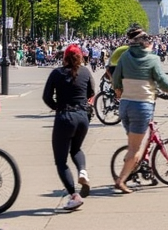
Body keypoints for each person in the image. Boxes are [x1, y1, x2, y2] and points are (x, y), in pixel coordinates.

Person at [112, 27, 168, 194]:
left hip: (125, 106)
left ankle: (137, 167)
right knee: (136, 148)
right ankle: (121, 180)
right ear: (146, 44)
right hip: (141, 106)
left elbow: (115, 78)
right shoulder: (153, 59)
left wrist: (119, 90)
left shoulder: (125, 56)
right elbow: (162, 81)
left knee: (133, 143)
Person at [42, 44, 95, 211]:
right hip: (82, 117)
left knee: (61, 161)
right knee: (76, 149)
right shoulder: (86, 72)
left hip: (65, 117)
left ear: (64, 57)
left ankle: (74, 196)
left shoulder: (57, 73)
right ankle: (83, 172)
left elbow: (46, 96)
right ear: (80, 57)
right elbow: (91, 92)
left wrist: (57, 106)